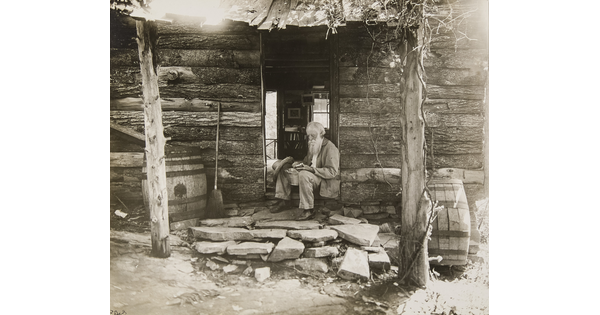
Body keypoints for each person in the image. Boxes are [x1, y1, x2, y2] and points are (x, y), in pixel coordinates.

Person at [270, 121, 340, 220]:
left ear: (321, 134)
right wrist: (297, 165)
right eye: (309, 136)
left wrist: (310, 169)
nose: (310, 138)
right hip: (310, 174)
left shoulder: (330, 148)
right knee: (284, 168)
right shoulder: (313, 145)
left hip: (322, 179)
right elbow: (307, 161)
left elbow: (332, 172)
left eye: (313, 135)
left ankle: (308, 210)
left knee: (304, 174)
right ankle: (284, 200)